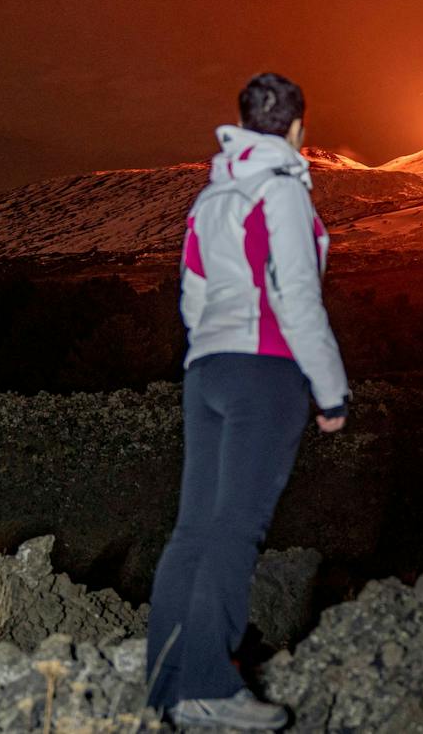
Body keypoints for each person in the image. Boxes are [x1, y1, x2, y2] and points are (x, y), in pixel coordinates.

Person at [146, 72, 350, 729]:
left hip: (207, 370)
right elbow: (296, 296)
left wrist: (208, 357)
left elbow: (194, 297)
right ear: (298, 129)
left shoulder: (211, 197)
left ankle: (168, 683)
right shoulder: (282, 191)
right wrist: (331, 390)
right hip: (266, 370)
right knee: (236, 529)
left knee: (193, 530)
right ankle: (209, 686)